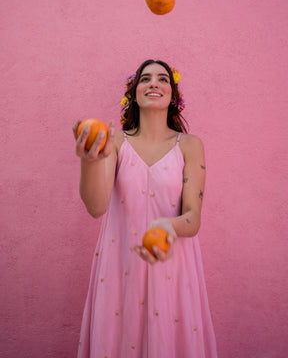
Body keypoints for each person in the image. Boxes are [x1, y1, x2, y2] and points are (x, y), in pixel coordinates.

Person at [73, 59, 217, 358]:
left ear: (173, 95)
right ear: (134, 93)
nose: (154, 83)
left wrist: (169, 226)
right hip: (120, 263)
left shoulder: (190, 145)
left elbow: (192, 217)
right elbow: (96, 206)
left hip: (172, 266)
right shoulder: (116, 144)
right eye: (145, 79)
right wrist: (89, 162)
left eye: (163, 79)